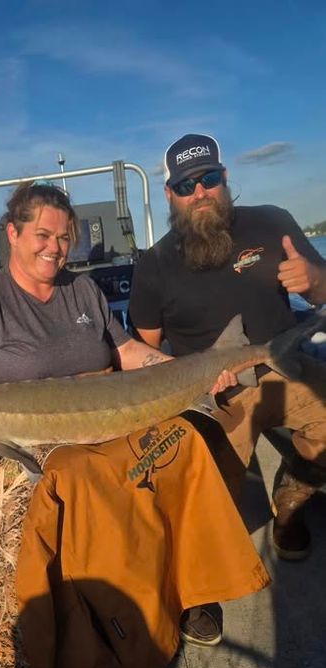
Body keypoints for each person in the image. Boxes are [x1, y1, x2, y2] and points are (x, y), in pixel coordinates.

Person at [0, 182, 270, 668]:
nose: (55, 248)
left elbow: (126, 354)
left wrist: (191, 369)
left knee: (188, 444)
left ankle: (190, 593)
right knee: (15, 526)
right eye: (42, 235)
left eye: (65, 238)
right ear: (11, 234)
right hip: (20, 438)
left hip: (105, 414)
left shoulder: (83, 289)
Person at [129, 132, 326, 562]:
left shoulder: (273, 222)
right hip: (210, 395)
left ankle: (294, 492)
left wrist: (314, 281)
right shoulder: (153, 264)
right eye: (185, 185)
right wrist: (191, 382)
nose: (199, 193)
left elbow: (321, 292)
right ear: (169, 194)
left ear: (225, 177)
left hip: (282, 369)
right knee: (208, 516)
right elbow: (141, 354)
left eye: (209, 178)